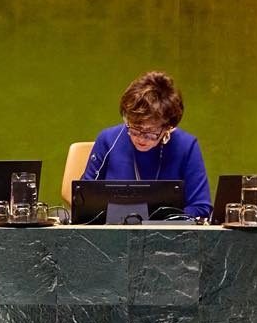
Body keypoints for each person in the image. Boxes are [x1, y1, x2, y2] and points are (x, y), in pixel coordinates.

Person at [77, 70, 212, 219]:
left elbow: (201, 207)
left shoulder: (187, 146)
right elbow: (84, 200)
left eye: (150, 132)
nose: (140, 138)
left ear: (168, 127)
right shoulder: (108, 140)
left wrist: (158, 220)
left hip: (169, 235)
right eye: (134, 128)